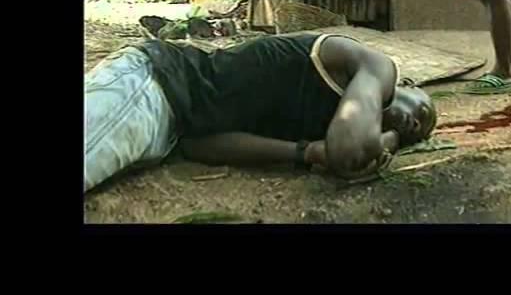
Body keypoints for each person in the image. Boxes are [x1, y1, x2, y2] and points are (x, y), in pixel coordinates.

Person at [84, 33, 437, 193]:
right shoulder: (372, 65)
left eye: (417, 133)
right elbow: (349, 152)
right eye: (422, 109)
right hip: (152, 83)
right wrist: (394, 138)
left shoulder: (328, 122)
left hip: (165, 130)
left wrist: (305, 152)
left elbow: (198, 144)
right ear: (406, 83)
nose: (416, 123)